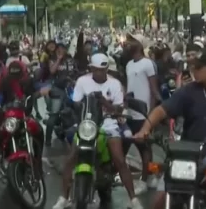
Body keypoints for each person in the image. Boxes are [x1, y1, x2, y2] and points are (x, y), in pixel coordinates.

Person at [134, 48, 206, 209]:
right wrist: (145, 129)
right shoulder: (189, 91)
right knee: (159, 201)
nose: (193, 71)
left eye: (198, 68)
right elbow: (162, 110)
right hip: (187, 151)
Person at [52, 53, 142, 209]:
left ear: (107, 68)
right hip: (87, 124)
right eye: (97, 69)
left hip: (108, 124)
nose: (100, 72)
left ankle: (133, 200)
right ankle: (63, 198)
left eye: (103, 69)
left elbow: (118, 109)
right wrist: (87, 103)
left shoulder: (115, 84)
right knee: (71, 158)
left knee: (119, 160)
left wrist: (103, 101)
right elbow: (75, 104)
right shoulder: (82, 81)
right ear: (91, 68)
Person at [0, 60, 47, 196]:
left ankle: (38, 163)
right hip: (5, 118)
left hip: (24, 117)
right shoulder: (4, 82)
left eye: (18, 74)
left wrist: (43, 91)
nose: (16, 77)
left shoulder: (30, 82)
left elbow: (41, 88)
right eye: (13, 74)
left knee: (39, 132)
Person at [124, 33, 159, 191]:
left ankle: (145, 180)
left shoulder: (148, 64)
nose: (128, 43)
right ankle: (150, 176)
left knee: (144, 147)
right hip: (130, 112)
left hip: (143, 113)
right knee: (127, 144)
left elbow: (154, 90)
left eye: (132, 41)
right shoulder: (129, 64)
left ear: (139, 44)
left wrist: (151, 115)